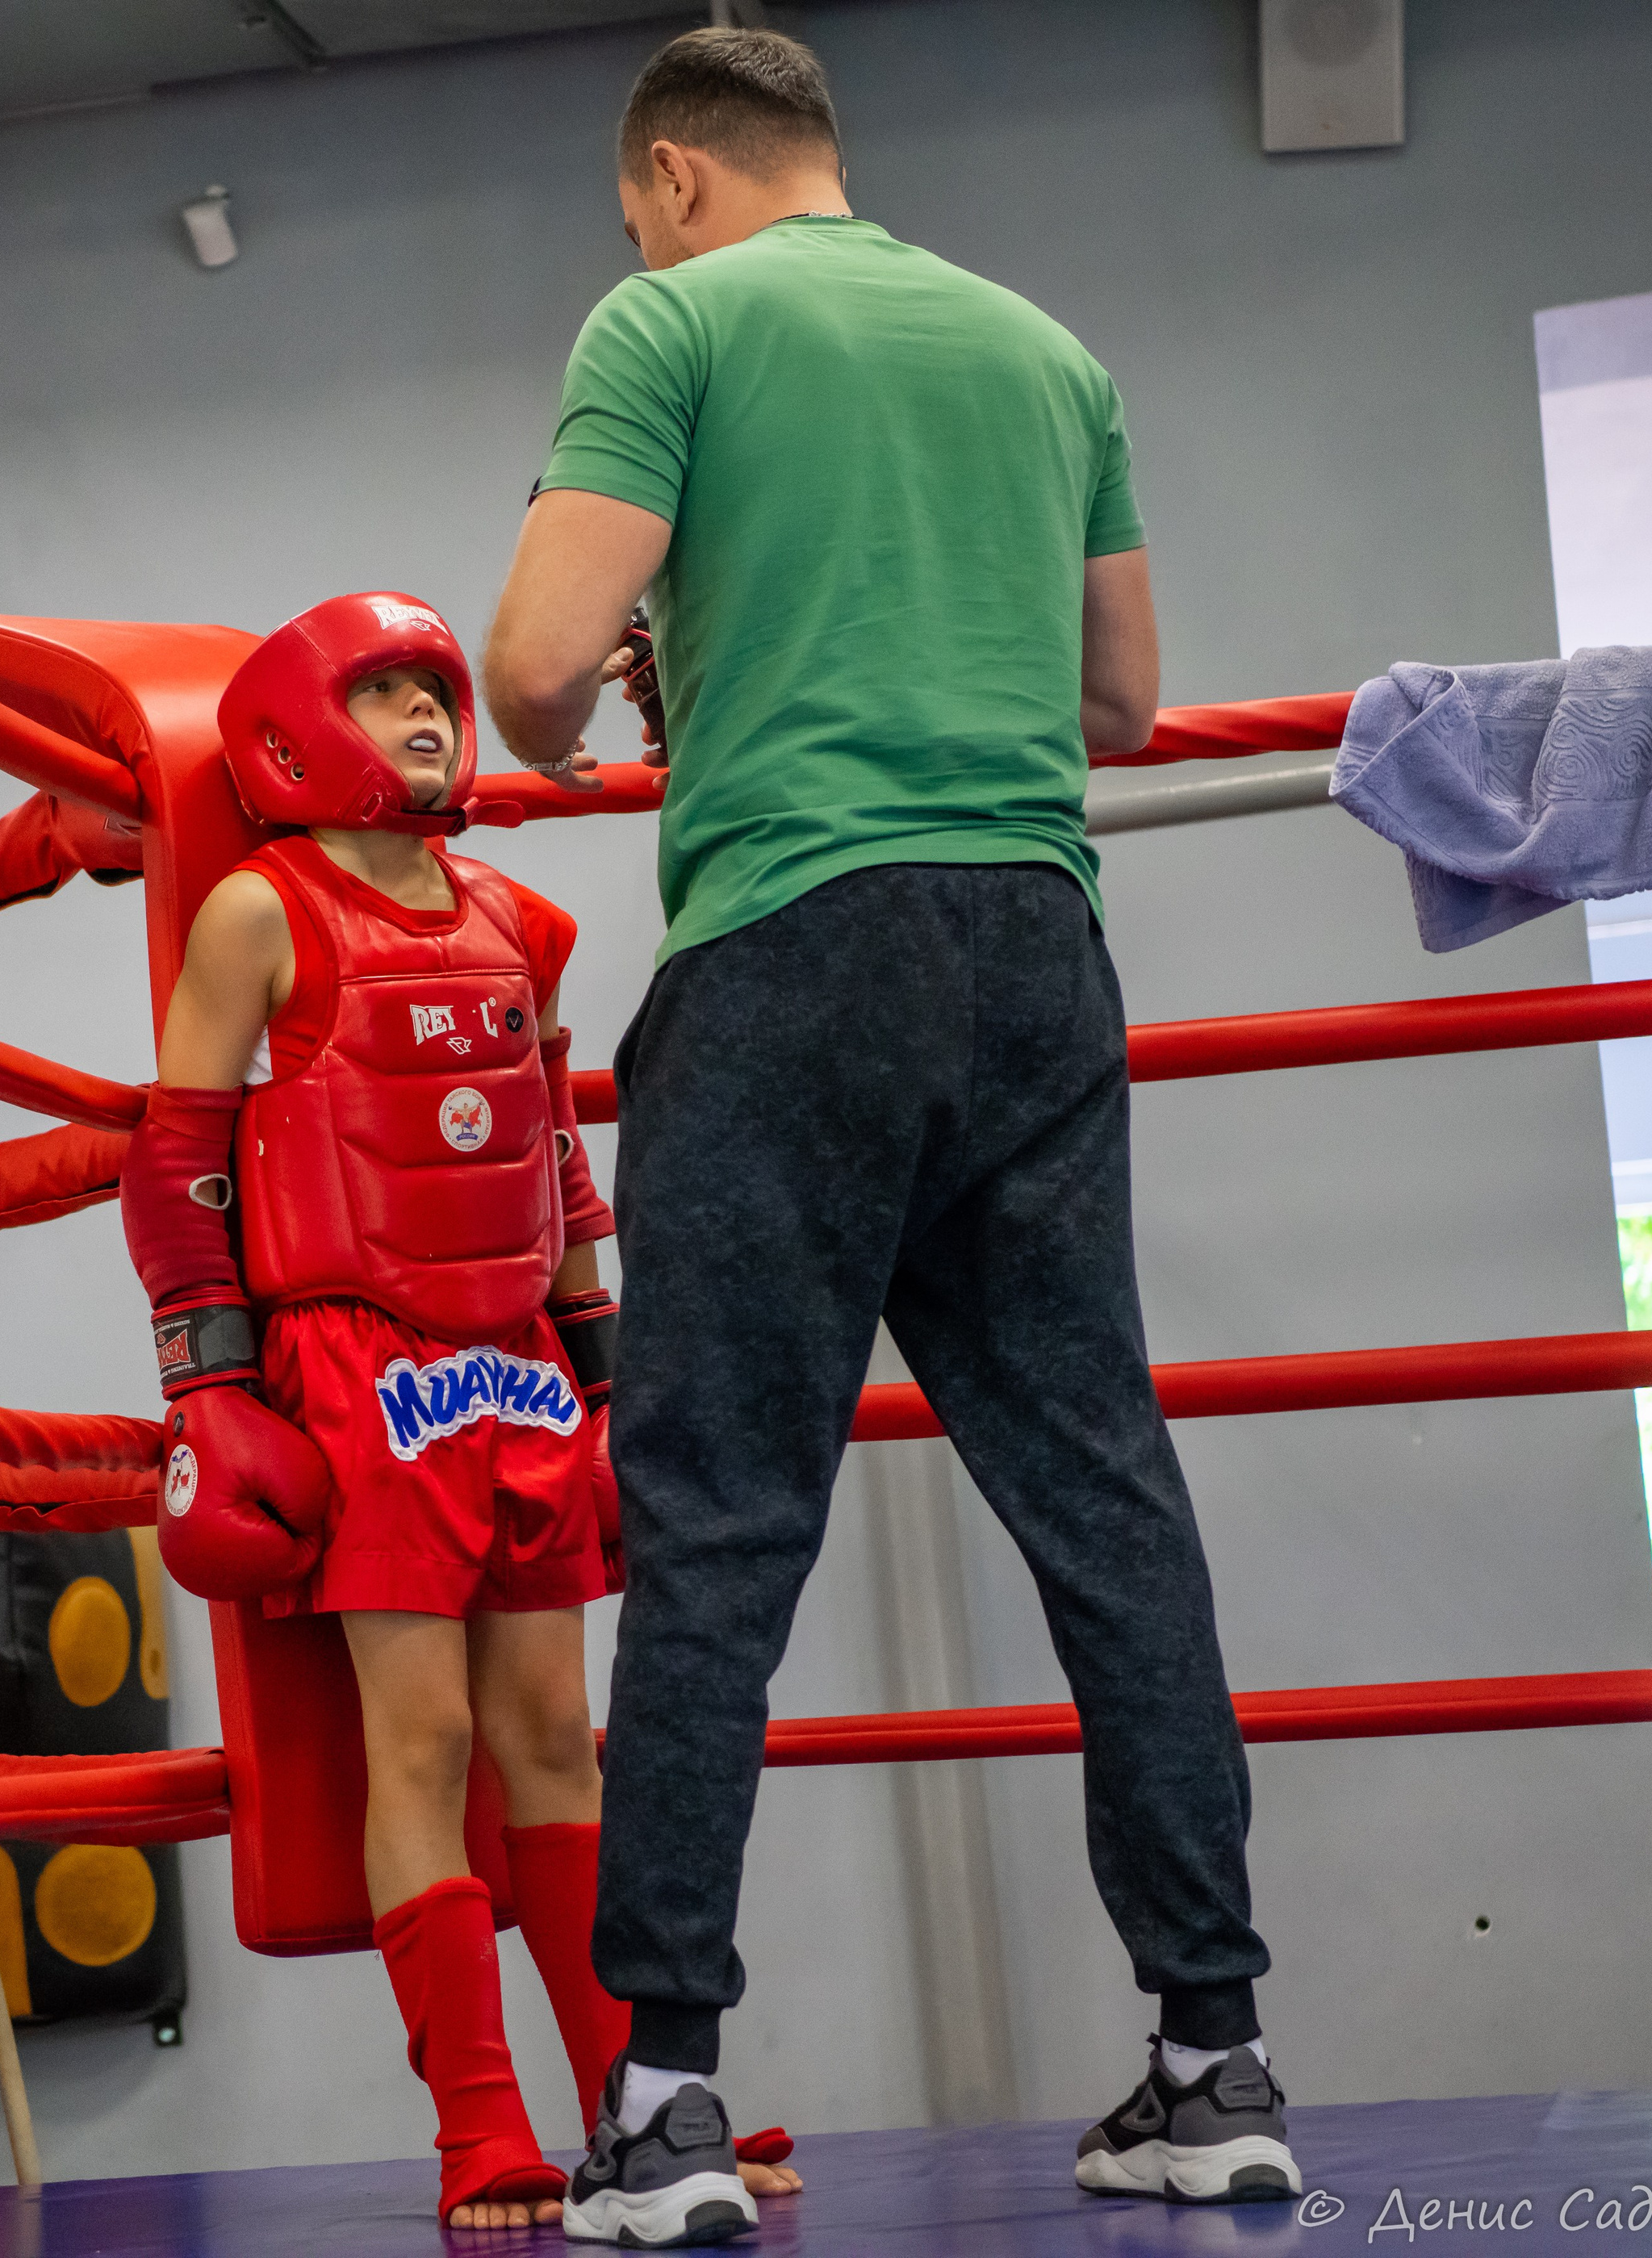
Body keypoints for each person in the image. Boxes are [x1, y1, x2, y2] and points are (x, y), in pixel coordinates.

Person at [480, 27, 1305, 2248]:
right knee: (1105, 1489)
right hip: (1036, 946)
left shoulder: (670, 314)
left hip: (792, 951)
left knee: (725, 1512)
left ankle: (662, 2099)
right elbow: (1118, 697)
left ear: (670, 174)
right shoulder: (1046, 351)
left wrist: (659, 646)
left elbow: (532, 669)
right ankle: (1213, 2058)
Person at [118, 592, 800, 2232]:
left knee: (556, 1743)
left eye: (439, 687)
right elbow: (174, 1156)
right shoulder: (258, 916)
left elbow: (547, 1159)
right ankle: (478, 2134)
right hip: (354, 1365)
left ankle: (642, 2111)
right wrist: (211, 1383)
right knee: (418, 1739)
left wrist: (605, 1355)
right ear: (302, 719)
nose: (428, 712)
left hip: (516, 1370)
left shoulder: (515, 922)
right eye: (389, 688)